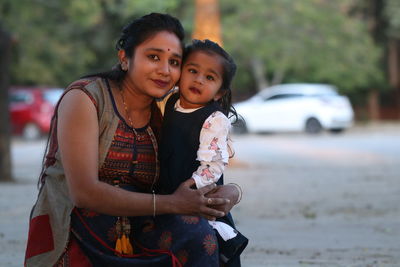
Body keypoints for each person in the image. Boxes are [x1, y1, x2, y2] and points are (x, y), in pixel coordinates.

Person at [24, 13, 241, 267]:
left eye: (174, 62)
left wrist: (234, 193)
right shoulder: (87, 98)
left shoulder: (164, 113)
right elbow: (84, 193)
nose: (164, 69)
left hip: (140, 232)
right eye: (153, 57)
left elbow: (188, 175)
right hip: (78, 233)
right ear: (125, 58)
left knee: (202, 234)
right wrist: (172, 203)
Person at [157, 39, 248, 266]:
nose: (198, 79)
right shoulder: (172, 101)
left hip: (197, 197)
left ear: (219, 92)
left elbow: (213, 167)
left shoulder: (214, 119)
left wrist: (189, 187)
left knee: (207, 250)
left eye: (209, 77)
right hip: (168, 194)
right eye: (192, 70)